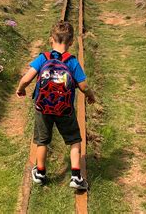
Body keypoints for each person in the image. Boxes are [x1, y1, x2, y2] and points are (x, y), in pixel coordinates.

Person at [16, 20, 96, 190]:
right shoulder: (71, 62)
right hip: (64, 109)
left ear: (50, 39)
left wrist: (21, 89)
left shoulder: (42, 58)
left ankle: (40, 173)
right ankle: (76, 177)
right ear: (72, 42)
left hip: (42, 108)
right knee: (74, 139)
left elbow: (26, 79)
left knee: (42, 140)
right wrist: (90, 96)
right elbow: (84, 86)